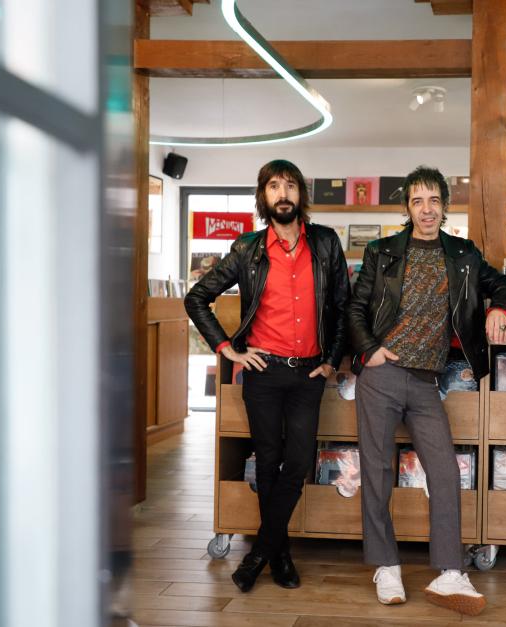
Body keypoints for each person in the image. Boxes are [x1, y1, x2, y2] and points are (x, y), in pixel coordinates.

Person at [347, 165, 506, 616]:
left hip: (427, 383)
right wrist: (372, 351)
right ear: (407, 208)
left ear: (444, 206)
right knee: (378, 472)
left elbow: (501, 281)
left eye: (434, 200)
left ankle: (449, 570)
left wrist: (499, 307)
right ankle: (385, 566)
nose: (426, 209)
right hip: (381, 378)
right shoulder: (382, 252)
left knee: (445, 472)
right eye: (418, 201)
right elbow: (355, 308)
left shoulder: (461, 253)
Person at [184, 159, 349, 593]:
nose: (282, 194)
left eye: (290, 185)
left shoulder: (327, 244)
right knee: (268, 462)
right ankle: (280, 554)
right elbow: (197, 297)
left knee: (298, 462)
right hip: (263, 372)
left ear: (301, 195)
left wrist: (332, 360)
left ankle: (259, 553)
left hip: (309, 372)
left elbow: (344, 308)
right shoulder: (246, 249)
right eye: (273, 186)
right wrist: (228, 349)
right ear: (263, 197)